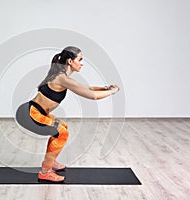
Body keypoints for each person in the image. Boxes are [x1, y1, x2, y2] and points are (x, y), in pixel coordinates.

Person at [16, 46, 120, 183]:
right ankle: (45, 172)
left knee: (62, 128)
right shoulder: (62, 78)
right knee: (61, 133)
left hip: (33, 111)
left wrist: (105, 88)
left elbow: (85, 88)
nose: (82, 63)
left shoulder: (62, 77)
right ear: (70, 61)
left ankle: (50, 162)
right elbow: (93, 96)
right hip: (30, 113)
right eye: (80, 59)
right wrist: (112, 92)